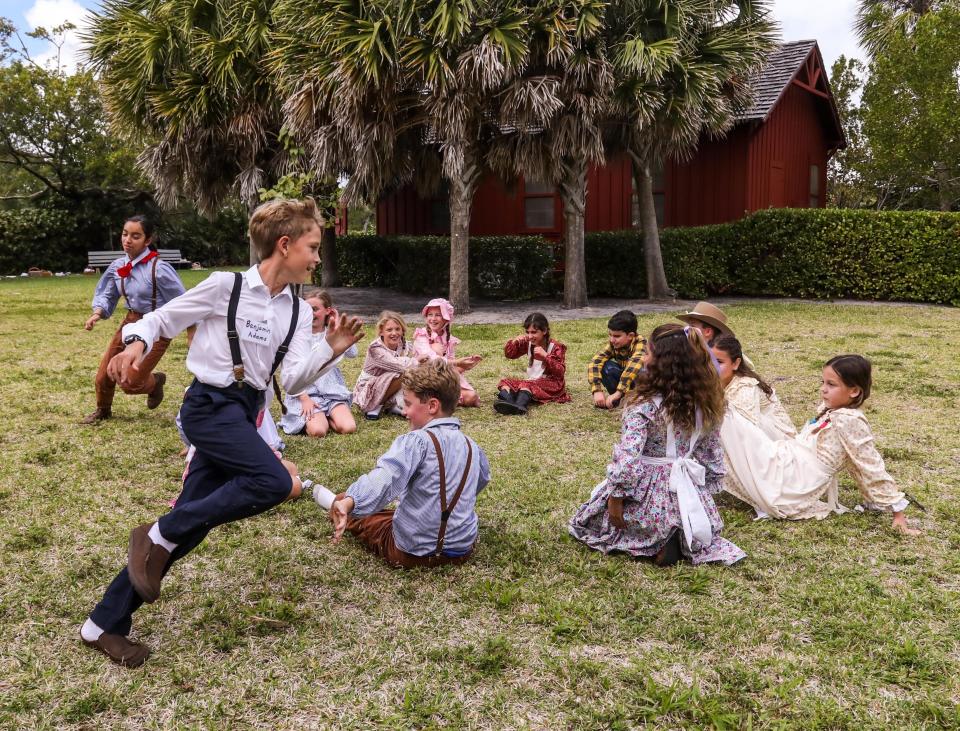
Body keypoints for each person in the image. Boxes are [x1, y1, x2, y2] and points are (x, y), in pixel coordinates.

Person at [79, 198, 364, 668]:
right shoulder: (224, 287)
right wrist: (133, 345)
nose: (317, 257)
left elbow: (289, 380)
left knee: (191, 528)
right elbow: (159, 319)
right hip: (209, 408)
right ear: (285, 244)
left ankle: (102, 624)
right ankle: (156, 531)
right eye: (313, 247)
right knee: (272, 482)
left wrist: (329, 348)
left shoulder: (294, 312)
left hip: (246, 411)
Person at [569, 324, 746, 566]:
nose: (643, 357)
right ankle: (678, 531)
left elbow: (628, 457)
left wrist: (616, 497)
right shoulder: (706, 404)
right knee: (684, 511)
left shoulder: (643, 405)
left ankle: (657, 538)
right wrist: (706, 492)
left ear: (663, 362)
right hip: (685, 485)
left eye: (649, 353)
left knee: (589, 522)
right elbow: (710, 451)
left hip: (647, 486)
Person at [718, 354, 920, 534]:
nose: (823, 389)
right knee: (730, 420)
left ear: (854, 391)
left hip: (794, 480)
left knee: (727, 418)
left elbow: (868, 465)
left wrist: (897, 511)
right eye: (823, 382)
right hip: (787, 461)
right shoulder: (832, 410)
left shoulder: (849, 420)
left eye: (831, 385)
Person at [327, 359, 491, 568]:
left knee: (347, 502)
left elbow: (385, 478)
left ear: (432, 405)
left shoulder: (416, 441)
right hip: (462, 550)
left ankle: (341, 507)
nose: (404, 412)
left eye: (408, 404)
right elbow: (482, 479)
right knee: (391, 512)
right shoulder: (472, 446)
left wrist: (349, 502)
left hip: (412, 553)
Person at [82, 215, 189, 423]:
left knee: (131, 382)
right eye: (125, 234)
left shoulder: (159, 268)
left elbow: (184, 301)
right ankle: (103, 409)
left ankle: (155, 382)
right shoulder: (117, 266)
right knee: (105, 372)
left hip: (157, 325)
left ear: (147, 240)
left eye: (135, 236)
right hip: (130, 321)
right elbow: (108, 294)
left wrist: (190, 329)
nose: (127, 240)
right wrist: (98, 313)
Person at [280, 291, 358, 438]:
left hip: (331, 391)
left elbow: (352, 354)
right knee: (318, 432)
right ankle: (319, 419)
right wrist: (304, 399)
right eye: (306, 310)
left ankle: (328, 416)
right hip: (306, 393)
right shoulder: (296, 336)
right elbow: (289, 372)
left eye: (315, 309)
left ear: (328, 311)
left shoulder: (331, 333)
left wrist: (337, 325)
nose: (310, 314)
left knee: (349, 428)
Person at [712, 336, 796, 442]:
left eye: (719, 362)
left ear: (736, 363)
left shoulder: (745, 386)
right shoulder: (714, 380)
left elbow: (747, 431)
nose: (712, 366)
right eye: (709, 361)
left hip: (773, 440)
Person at [494, 312, 569, 416]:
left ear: (544, 331)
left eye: (534, 332)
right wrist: (514, 341)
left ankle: (520, 407)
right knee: (505, 382)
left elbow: (560, 372)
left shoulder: (555, 346)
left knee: (526, 384)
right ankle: (510, 404)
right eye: (527, 332)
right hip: (533, 382)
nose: (530, 336)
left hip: (553, 384)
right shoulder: (528, 343)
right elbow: (510, 355)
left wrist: (545, 356)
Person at [413, 297, 481, 407]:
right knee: (436, 349)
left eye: (438, 315)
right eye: (430, 314)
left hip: (445, 378)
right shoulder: (422, 335)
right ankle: (438, 398)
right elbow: (432, 361)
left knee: (471, 398)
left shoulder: (448, 338)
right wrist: (457, 362)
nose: (433, 318)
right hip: (426, 378)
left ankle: (444, 398)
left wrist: (465, 365)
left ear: (446, 318)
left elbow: (451, 367)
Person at [353, 311, 421, 420]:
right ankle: (375, 405)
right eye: (389, 330)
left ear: (402, 330)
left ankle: (392, 405)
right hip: (369, 388)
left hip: (389, 382)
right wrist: (417, 361)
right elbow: (399, 366)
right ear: (381, 332)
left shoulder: (404, 345)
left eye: (397, 329)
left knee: (413, 376)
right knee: (404, 373)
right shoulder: (375, 348)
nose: (394, 333)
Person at [587, 309, 646, 409]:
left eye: (616, 336)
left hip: (642, 385)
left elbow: (633, 367)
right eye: (610, 335)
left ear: (630, 335)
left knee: (640, 369)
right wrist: (597, 390)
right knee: (606, 367)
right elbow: (595, 362)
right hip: (625, 385)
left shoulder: (641, 343)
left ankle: (638, 400)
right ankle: (618, 401)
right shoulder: (614, 344)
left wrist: (618, 392)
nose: (612, 340)